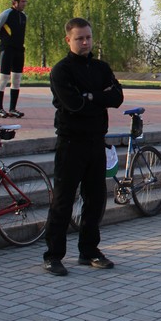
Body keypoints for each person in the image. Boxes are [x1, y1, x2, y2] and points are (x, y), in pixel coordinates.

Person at [43, 17, 124, 276]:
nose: (85, 42)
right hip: (71, 142)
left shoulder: (101, 67)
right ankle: (53, 255)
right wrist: (99, 98)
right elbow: (73, 104)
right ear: (68, 40)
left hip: (96, 141)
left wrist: (90, 96)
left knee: (95, 199)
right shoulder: (61, 71)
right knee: (63, 200)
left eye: (88, 37)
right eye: (79, 38)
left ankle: (89, 250)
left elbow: (117, 97)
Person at [0, 0, 29, 118]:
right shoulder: (6, 14)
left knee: (16, 78)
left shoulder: (23, 16)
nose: (24, 4)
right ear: (15, 1)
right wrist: (5, 39)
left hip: (19, 49)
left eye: (25, 1)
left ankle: (12, 108)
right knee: (4, 78)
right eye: (22, 1)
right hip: (7, 49)